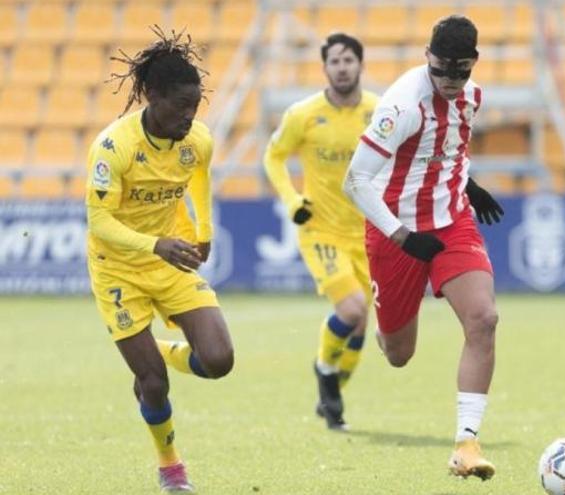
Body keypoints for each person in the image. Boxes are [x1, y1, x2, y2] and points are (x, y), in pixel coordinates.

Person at [343, 15, 504, 480]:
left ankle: (467, 444)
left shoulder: (472, 96)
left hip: (452, 222)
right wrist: (402, 236)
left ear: (474, 64)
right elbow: (355, 181)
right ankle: (384, 322)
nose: (451, 82)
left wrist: (468, 186)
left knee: (484, 319)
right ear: (426, 58)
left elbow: (448, 150)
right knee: (398, 353)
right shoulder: (402, 106)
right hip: (396, 230)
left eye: (461, 72)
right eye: (441, 71)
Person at [85, 27, 233, 493]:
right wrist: (154, 245)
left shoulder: (197, 140)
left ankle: (165, 351)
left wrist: (203, 232)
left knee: (219, 360)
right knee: (152, 383)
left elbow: (201, 176)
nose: (189, 117)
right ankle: (171, 469)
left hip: (169, 261)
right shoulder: (114, 148)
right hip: (118, 267)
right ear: (152, 96)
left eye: (195, 107)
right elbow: (99, 221)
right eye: (180, 107)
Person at [264, 33, 378, 431]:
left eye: (349, 60)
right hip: (322, 231)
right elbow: (274, 157)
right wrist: (292, 201)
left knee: (361, 328)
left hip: (368, 234)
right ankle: (325, 372)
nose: (342, 67)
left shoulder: (380, 112)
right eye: (335, 61)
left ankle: (332, 389)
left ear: (360, 65)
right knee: (351, 310)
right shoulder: (303, 115)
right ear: (325, 67)